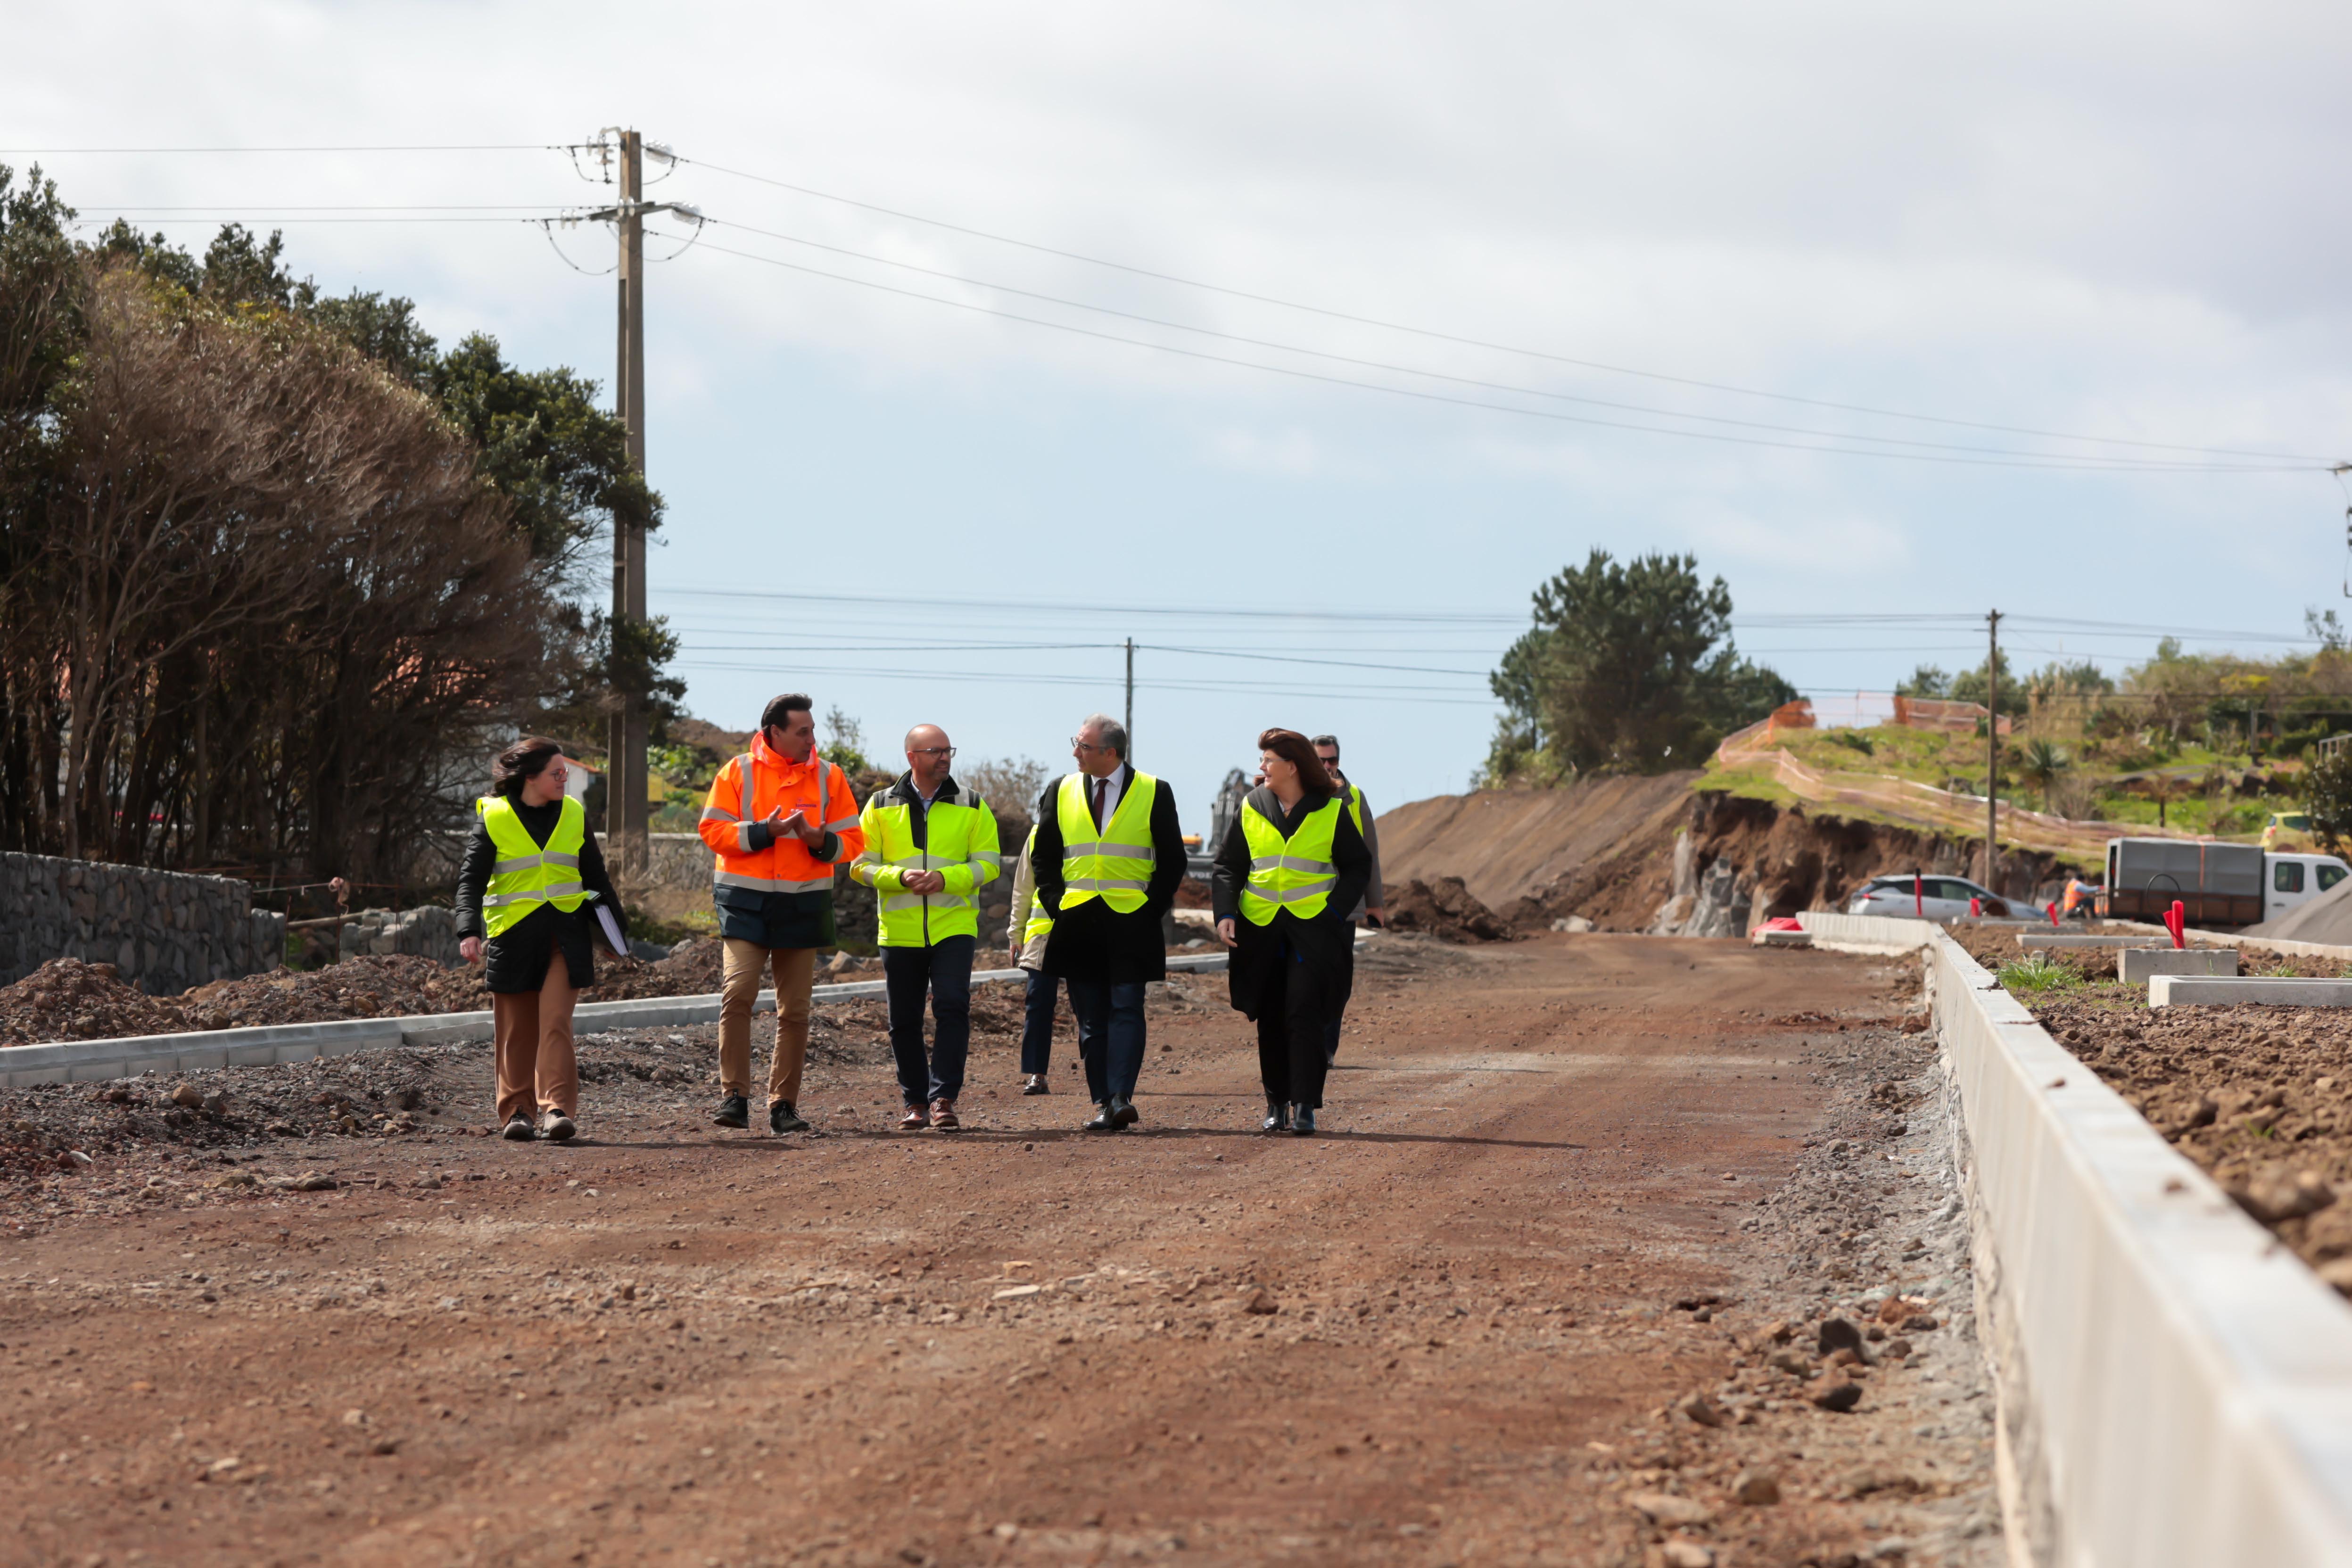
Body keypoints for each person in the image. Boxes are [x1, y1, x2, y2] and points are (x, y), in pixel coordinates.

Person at [697, 693, 866, 1135]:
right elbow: (711, 831)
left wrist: (817, 840)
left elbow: (852, 840)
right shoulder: (736, 772)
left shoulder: (830, 776)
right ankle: (734, 1097)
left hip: (803, 906)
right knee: (738, 994)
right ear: (775, 732)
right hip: (744, 905)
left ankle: (783, 1106)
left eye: (812, 730)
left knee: (795, 1011)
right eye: (803, 731)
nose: (812, 739)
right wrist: (762, 831)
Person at [455, 737, 628, 1143]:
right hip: (512, 936)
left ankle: (556, 1110)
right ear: (529, 777)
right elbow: (471, 880)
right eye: (557, 773)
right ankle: (518, 1112)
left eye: (565, 772)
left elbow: (596, 878)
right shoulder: (494, 816)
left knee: (555, 1022)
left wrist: (615, 934)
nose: (564, 780)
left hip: (566, 936)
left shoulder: (573, 813)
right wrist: (467, 930)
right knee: (516, 1030)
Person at [1030, 712, 1188, 1133]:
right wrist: (1054, 903)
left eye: (1083, 746)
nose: (1075, 752)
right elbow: (1043, 856)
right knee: (1091, 1019)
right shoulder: (1059, 790)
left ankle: (1121, 1097)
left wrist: (1149, 909)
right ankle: (1102, 1101)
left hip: (1131, 919)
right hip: (1077, 919)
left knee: (1127, 1008)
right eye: (1076, 744)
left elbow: (1173, 859)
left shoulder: (1154, 791)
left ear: (1111, 753)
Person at [1214, 728, 1373, 1136]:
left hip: (1311, 930)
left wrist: (1335, 912)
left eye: (1267, 761)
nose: (1261, 768)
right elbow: (1229, 866)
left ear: (1291, 766)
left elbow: (1358, 865)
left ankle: (1305, 1106)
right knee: (1270, 1014)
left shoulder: (1331, 809)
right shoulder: (1251, 806)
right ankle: (1276, 1104)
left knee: (1304, 1012)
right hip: (1260, 928)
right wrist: (1225, 913)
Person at [851, 725, 1000, 1130]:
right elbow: (858, 865)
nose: (944, 757)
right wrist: (898, 879)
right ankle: (914, 1102)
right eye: (935, 751)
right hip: (899, 930)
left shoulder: (972, 804)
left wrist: (945, 879)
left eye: (948, 750)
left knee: (952, 1005)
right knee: (904, 1020)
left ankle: (943, 1099)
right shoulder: (880, 805)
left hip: (954, 925)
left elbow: (989, 863)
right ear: (911, 757)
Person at [1310, 733, 1385, 1065]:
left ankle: (1326, 1048)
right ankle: (1306, 1045)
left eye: (1332, 760)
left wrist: (1375, 903)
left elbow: (1370, 854)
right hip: (1303, 902)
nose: (1327, 766)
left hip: (1344, 905)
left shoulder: (1354, 797)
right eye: (1321, 760)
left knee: (1338, 980)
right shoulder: (1297, 795)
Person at [1006, 822, 1060, 1094]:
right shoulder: (1040, 832)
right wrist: (1016, 934)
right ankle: (1037, 1075)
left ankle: (1102, 1075)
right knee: (1038, 1003)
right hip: (1043, 935)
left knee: (1092, 1007)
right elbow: (1023, 886)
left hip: (1088, 929)